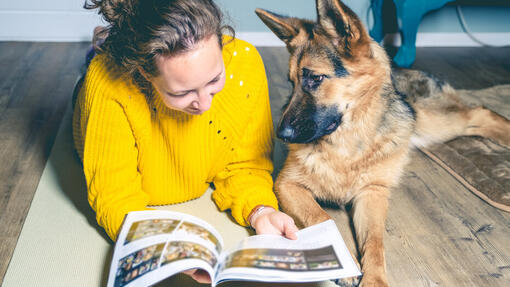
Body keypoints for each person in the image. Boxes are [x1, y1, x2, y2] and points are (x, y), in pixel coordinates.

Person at [73, 0, 299, 283]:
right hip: (102, 97)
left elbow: (246, 166)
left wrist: (261, 211)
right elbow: (114, 196)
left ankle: (109, 44)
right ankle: (101, 47)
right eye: (183, 93)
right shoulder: (108, 86)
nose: (204, 104)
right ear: (144, 73)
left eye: (214, 80)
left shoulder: (244, 61)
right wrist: (166, 250)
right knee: (94, 71)